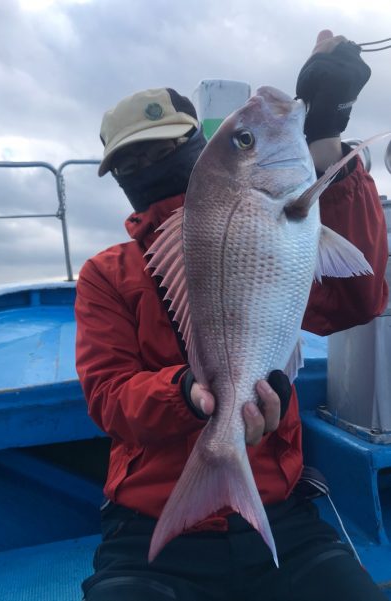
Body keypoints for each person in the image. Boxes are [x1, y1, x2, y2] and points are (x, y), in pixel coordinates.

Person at [75, 30, 389, 600]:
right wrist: (188, 392)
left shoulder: (281, 226)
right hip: (149, 524)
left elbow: (359, 298)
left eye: (164, 149)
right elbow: (108, 396)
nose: (149, 167)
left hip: (279, 512)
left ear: (197, 146)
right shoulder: (107, 275)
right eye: (132, 160)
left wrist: (326, 142)